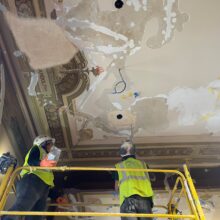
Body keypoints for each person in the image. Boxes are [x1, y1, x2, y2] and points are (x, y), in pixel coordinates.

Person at [3, 135, 58, 220]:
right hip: (32, 180)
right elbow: (31, 160)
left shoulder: (46, 158)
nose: (51, 147)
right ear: (43, 143)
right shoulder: (37, 148)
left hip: (43, 188)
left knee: (36, 217)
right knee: (22, 206)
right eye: (49, 144)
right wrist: (41, 163)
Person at [115, 141, 154, 220]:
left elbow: (116, 187)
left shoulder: (119, 166)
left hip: (128, 200)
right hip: (145, 201)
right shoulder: (143, 164)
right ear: (134, 152)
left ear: (121, 153)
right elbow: (153, 178)